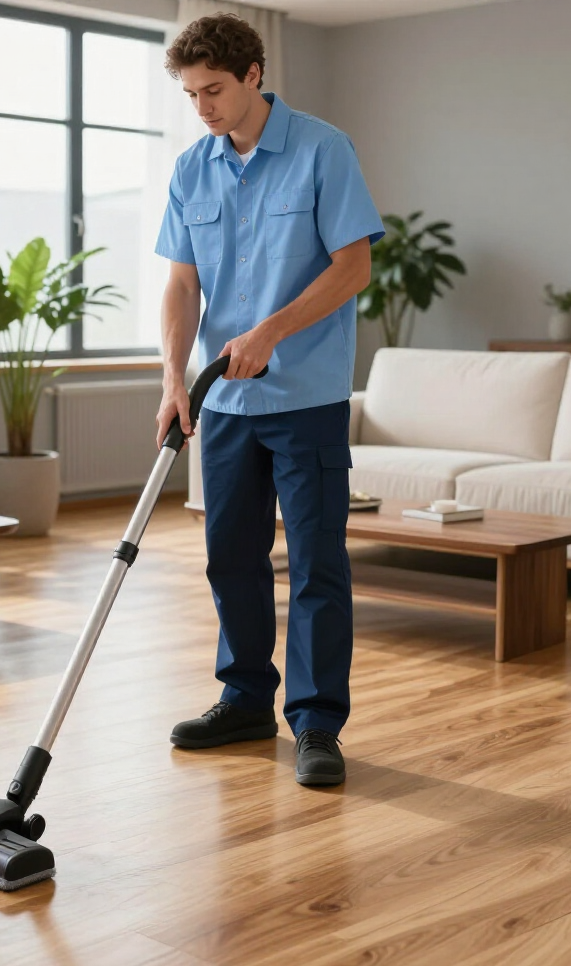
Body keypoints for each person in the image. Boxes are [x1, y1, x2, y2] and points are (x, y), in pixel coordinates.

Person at [154, 13, 384, 785]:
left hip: (306, 398)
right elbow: (182, 284)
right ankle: (246, 697)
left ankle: (318, 723)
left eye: (213, 90)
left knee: (317, 562)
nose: (203, 108)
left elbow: (354, 266)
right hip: (222, 405)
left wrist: (272, 331)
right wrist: (171, 377)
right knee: (231, 559)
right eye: (190, 95)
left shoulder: (323, 150)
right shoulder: (193, 168)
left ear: (254, 74)